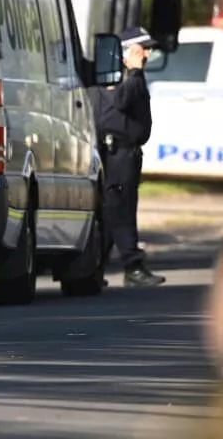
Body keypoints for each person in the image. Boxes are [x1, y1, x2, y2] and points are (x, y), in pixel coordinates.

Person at [92, 25, 165, 288]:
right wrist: (134, 71)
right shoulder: (118, 77)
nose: (146, 54)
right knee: (119, 209)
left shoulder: (132, 76)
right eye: (141, 49)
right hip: (117, 152)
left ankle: (93, 269)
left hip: (127, 152)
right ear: (125, 53)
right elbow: (121, 102)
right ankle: (133, 267)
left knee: (115, 210)